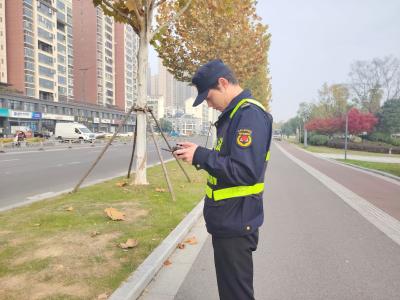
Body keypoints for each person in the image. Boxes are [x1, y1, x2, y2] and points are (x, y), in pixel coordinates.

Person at [174, 59, 273, 300]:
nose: (208, 104)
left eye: (208, 98)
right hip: (230, 219)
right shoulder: (236, 115)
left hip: (237, 222)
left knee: (236, 295)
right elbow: (228, 159)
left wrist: (201, 155)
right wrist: (199, 153)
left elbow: (244, 170)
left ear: (222, 83)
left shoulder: (249, 115)